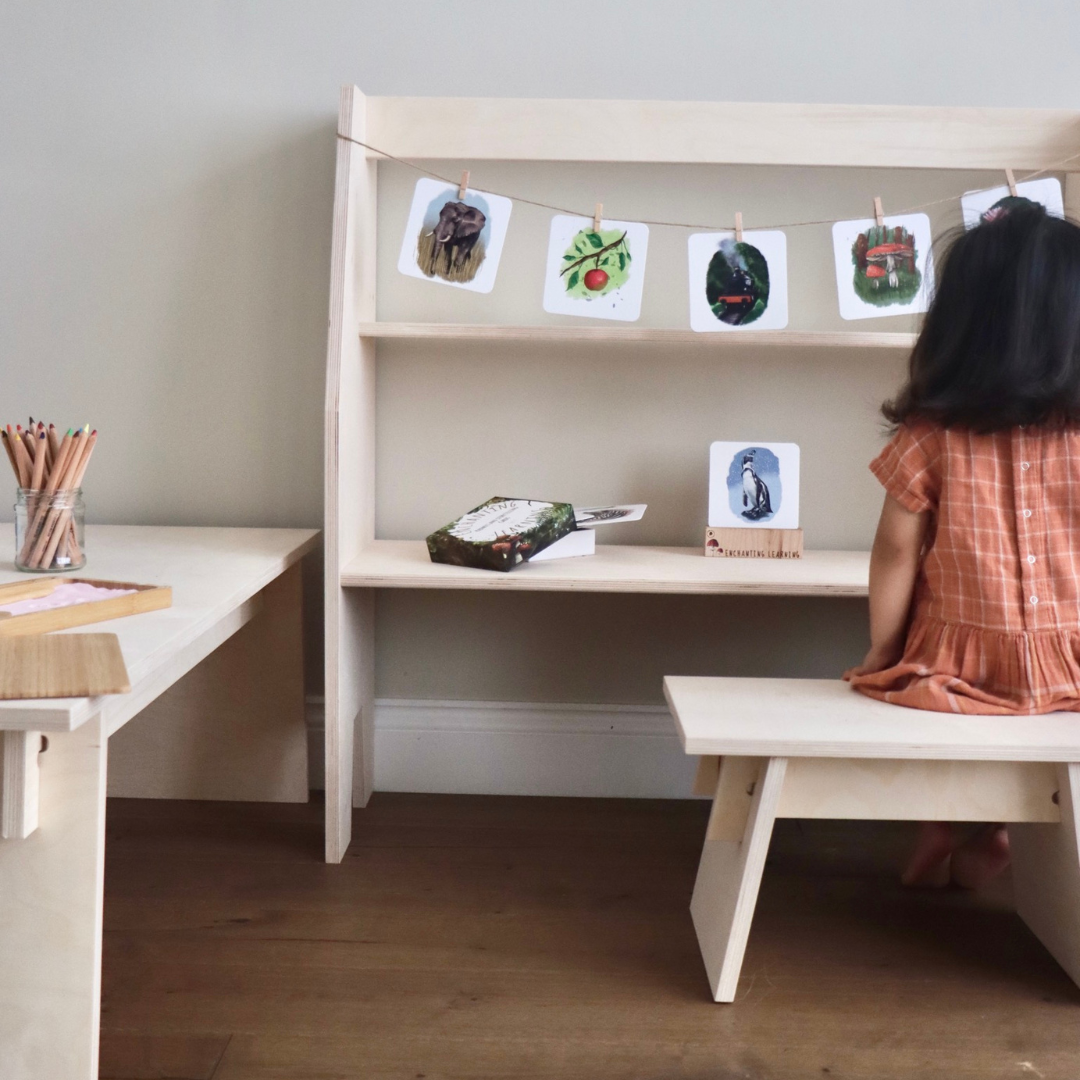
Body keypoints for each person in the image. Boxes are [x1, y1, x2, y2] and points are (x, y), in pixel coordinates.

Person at [843, 204, 1080, 889]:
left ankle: (954, 820)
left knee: (948, 713)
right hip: (1072, 670)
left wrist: (884, 652)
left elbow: (894, 552)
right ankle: (1000, 830)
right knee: (1041, 727)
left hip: (960, 667)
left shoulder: (932, 433)